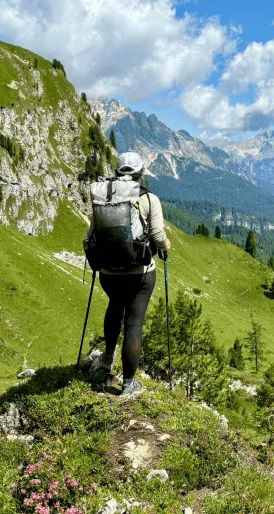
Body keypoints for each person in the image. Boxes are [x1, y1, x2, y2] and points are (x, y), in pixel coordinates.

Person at [91, 151, 170, 397]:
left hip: (107, 271)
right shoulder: (148, 198)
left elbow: (92, 232)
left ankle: (106, 359)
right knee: (134, 322)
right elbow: (157, 235)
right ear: (140, 173)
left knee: (115, 308)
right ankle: (128, 385)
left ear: (117, 172)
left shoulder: (103, 196)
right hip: (139, 273)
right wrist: (166, 246)